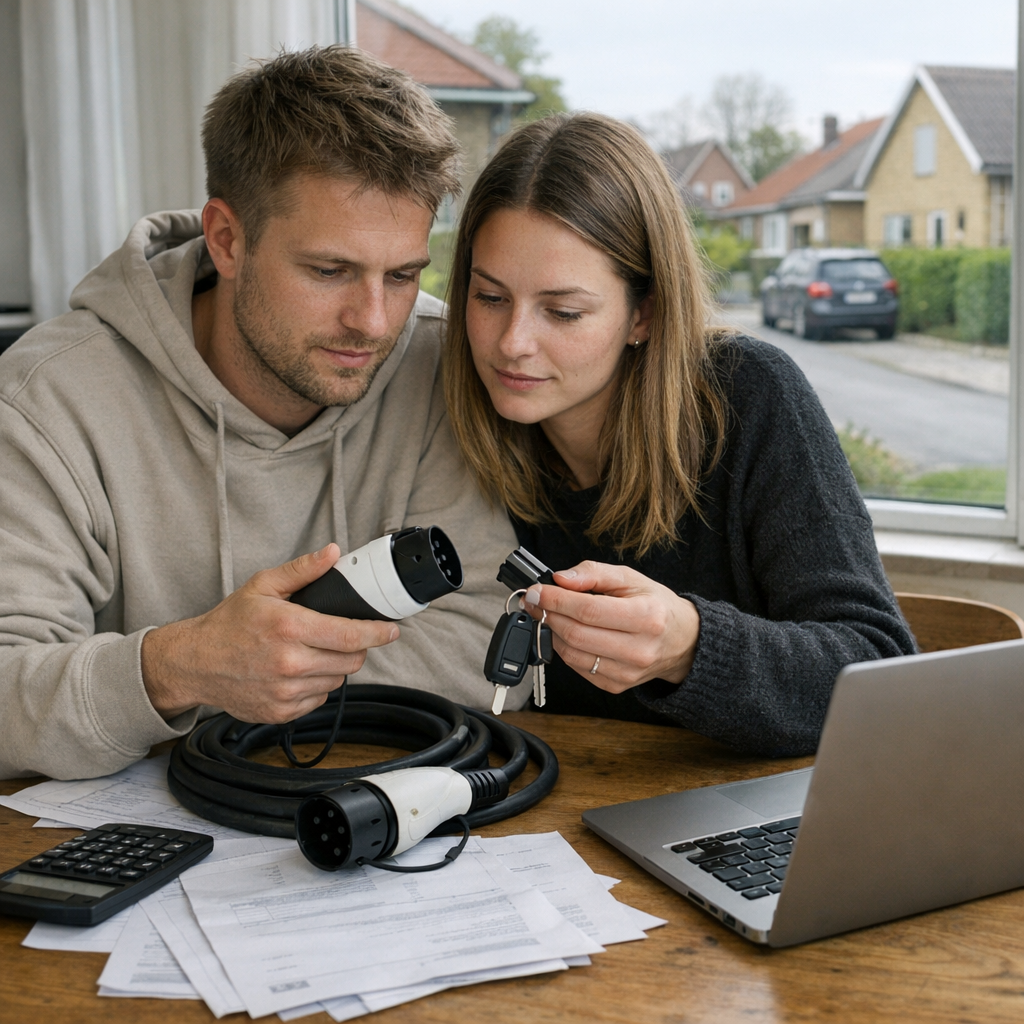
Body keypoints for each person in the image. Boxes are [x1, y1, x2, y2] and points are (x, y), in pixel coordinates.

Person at [0, 47, 517, 781]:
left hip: (374, 821)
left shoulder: (441, 363)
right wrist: (179, 668)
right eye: (329, 271)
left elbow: (492, 640)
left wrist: (257, 688)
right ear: (227, 239)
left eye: (402, 275)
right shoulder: (45, 398)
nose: (373, 322)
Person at [443, 112, 916, 756]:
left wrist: (689, 646)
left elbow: (880, 674)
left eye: (563, 311)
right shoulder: (451, 415)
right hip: (555, 813)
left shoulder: (749, 395)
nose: (511, 344)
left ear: (646, 311)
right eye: (489, 297)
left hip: (748, 822)